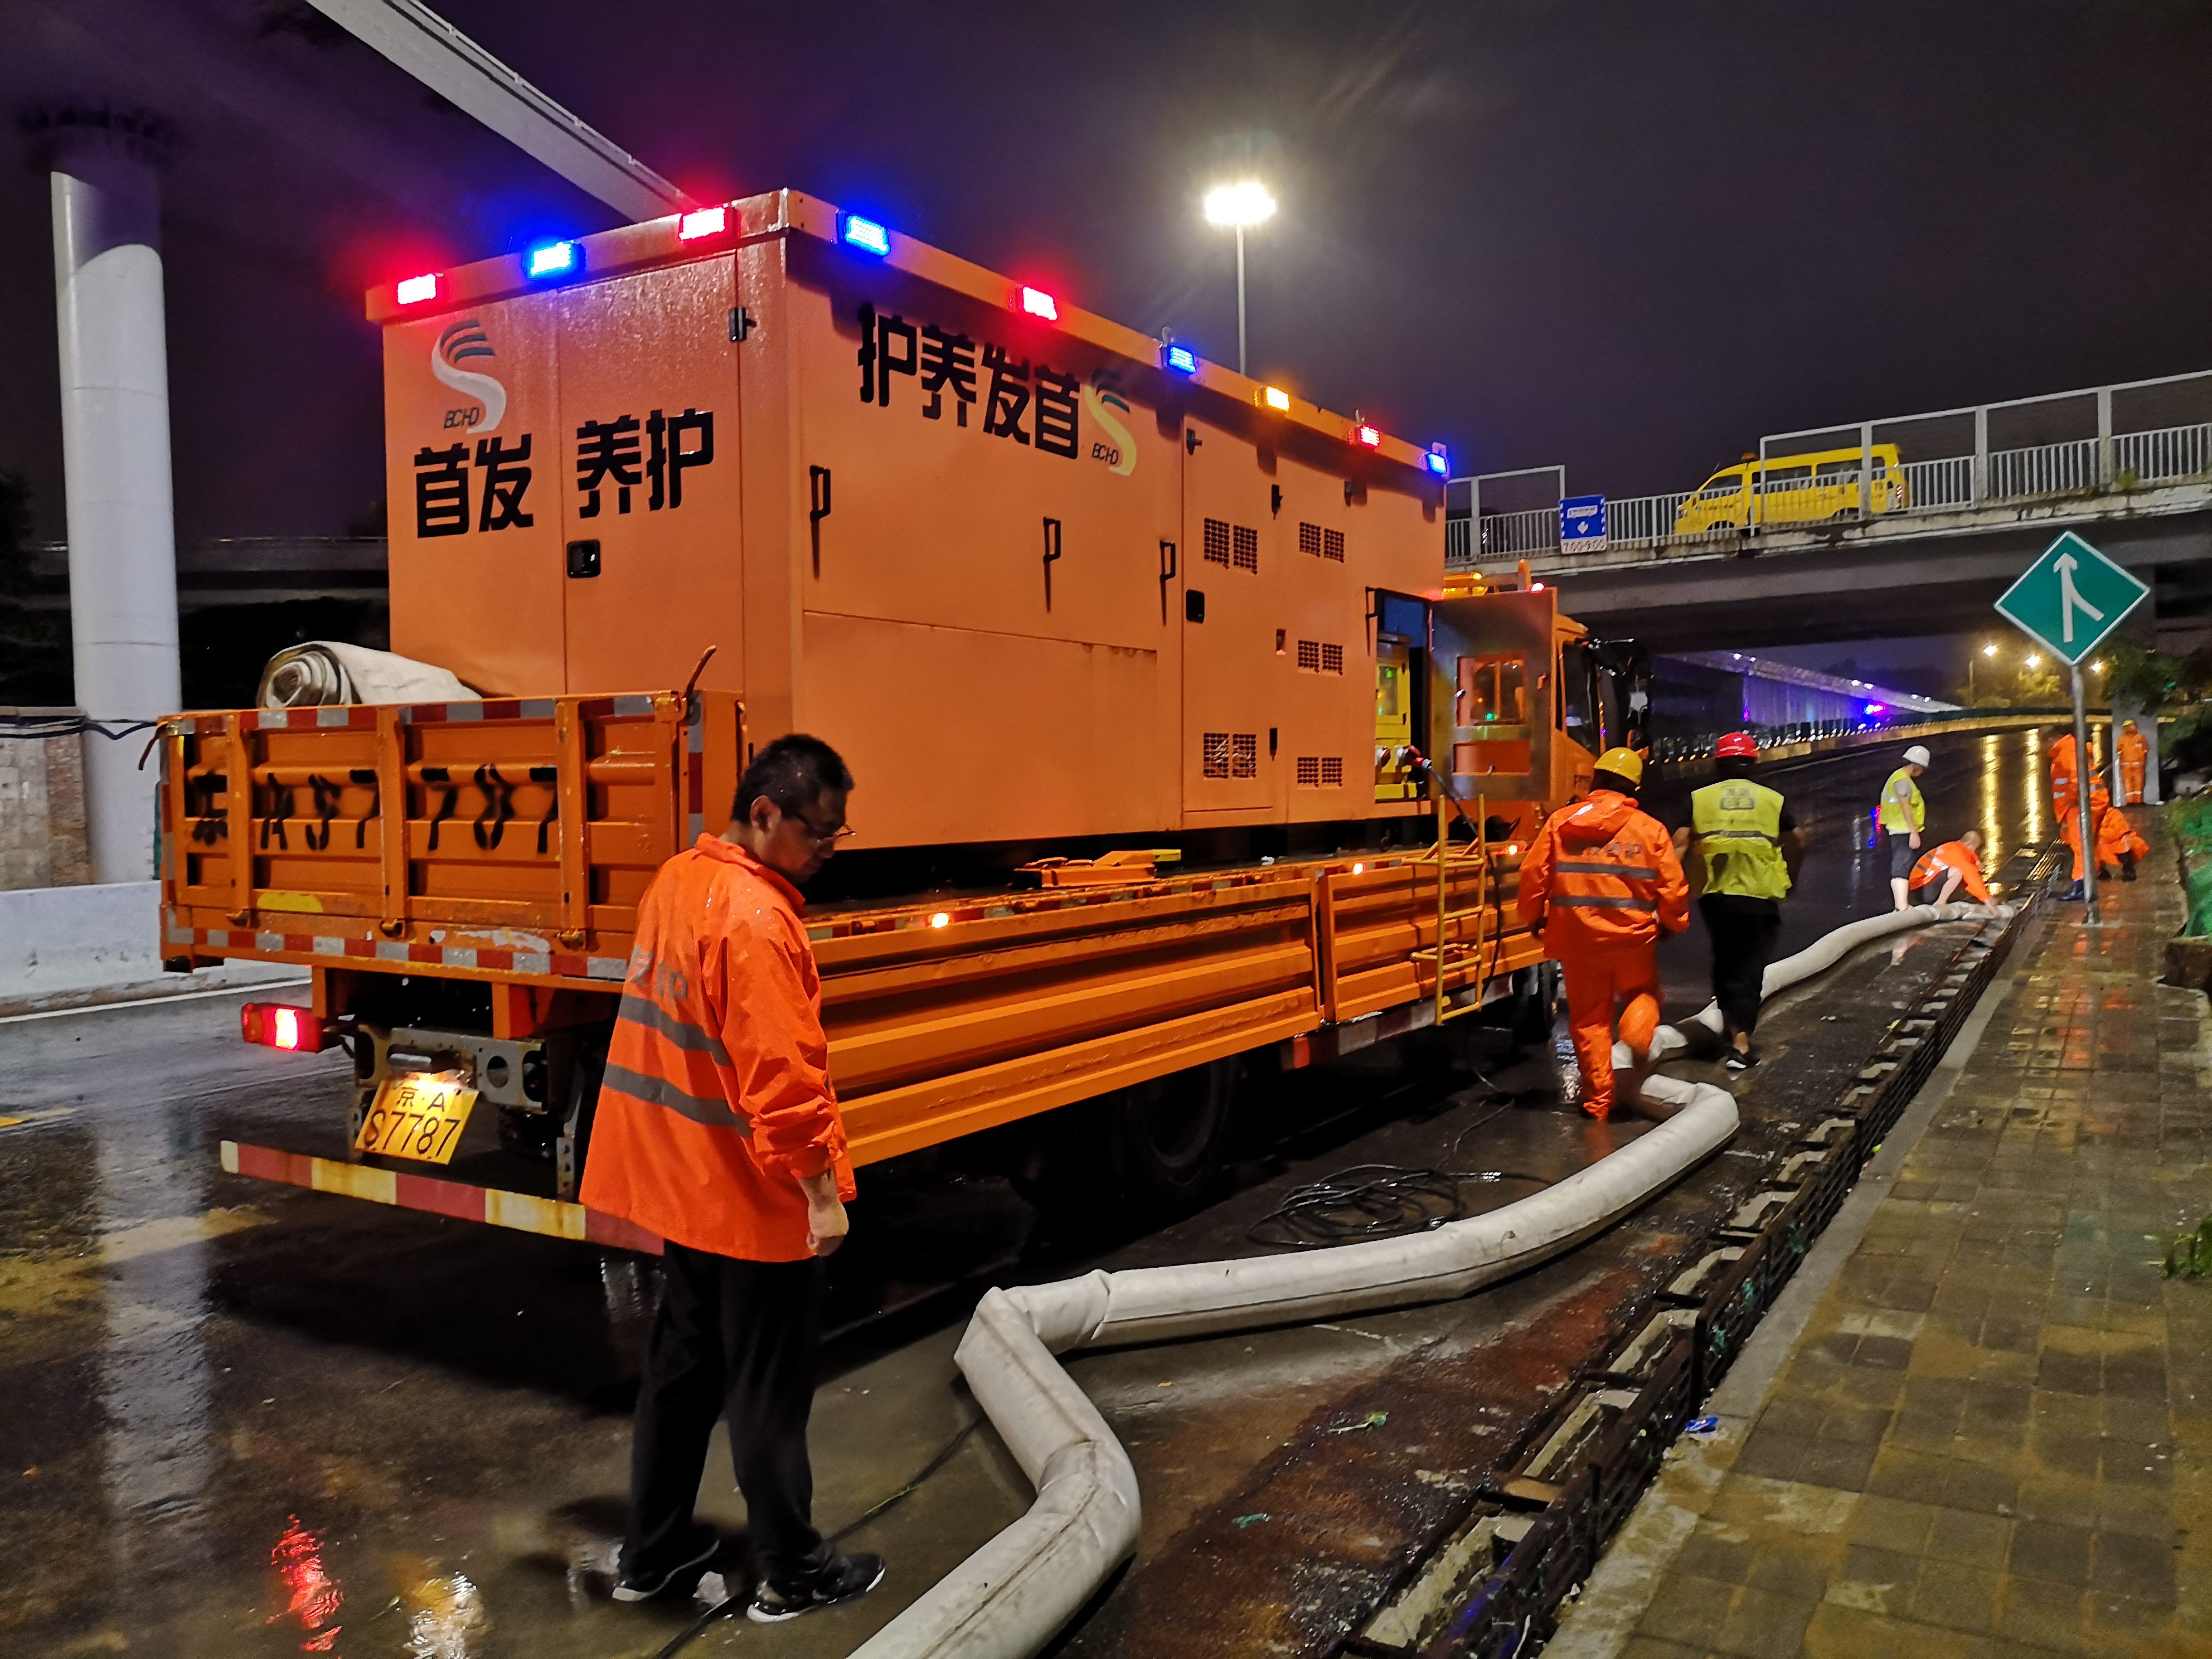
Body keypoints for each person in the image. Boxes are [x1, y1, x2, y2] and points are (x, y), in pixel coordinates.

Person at [581, 734, 886, 1622]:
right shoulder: (754, 920)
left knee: (682, 1373)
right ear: (765, 815)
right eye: (820, 831)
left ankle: (654, 1551)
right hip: (752, 1203)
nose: (830, 847)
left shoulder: (680, 880)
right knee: (767, 1391)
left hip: (687, 1189)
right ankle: (795, 1570)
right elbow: (784, 1083)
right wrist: (821, 1196)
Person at [1518, 746, 1689, 1120]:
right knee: (1641, 995)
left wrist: (1531, 916)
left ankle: (1598, 1102)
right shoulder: (1650, 829)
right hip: (1633, 940)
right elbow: (1673, 888)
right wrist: (1674, 923)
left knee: (1589, 1021)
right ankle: (1636, 1036)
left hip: (1579, 941)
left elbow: (1533, 874)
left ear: (1595, 780)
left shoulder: (1562, 822)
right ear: (1633, 788)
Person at [1676, 732, 1804, 1071]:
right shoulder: (1771, 799)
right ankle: (1740, 1042)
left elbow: (1678, 845)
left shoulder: (1700, 798)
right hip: (1759, 896)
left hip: (1715, 896)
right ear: (1753, 763)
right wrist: (1790, 877)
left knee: (1726, 958)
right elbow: (1797, 842)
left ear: (1718, 763)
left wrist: (1672, 889)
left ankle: (1730, 1026)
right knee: (1749, 967)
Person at [2060, 777, 2148, 898]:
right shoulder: (2109, 816)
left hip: (2107, 835)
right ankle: (2106, 870)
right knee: (2092, 845)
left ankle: (2112, 870)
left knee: (2090, 846)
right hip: (2103, 830)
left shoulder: (2109, 821)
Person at [1877, 745, 1930, 912]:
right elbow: (1906, 807)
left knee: (1901, 864)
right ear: (1918, 767)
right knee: (1902, 865)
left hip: (1898, 828)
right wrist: (1914, 832)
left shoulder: (1898, 777)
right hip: (1903, 829)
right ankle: (1902, 906)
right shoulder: (1903, 782)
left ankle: (1900, 905)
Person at [1908, 830, 1994, 906]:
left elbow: (1971, 864)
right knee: (1957, 872)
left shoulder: (1952, 847)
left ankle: (1942, 901)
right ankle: (1940, 903)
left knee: (1962, 876)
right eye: (1974, 849)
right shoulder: (1957, 852)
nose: (1974, 852)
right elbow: (1972, 876)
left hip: (1917, 889)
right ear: (1968, 844)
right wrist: (1988, 902)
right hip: (1922, 891)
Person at [2048, 729, 2079, 826]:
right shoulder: (2063, 751)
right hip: (2070, 809)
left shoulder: (2067, 751)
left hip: (2073, 808)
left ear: (2050, 739)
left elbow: (2075, 778)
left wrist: (2071, 803)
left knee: (2078, 839)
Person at [2118, 719, 2148, 805]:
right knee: (2137, 783)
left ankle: (2131, 801)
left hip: (2127, 765)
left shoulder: (2122, 739)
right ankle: (2137, 801)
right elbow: (2145, 750)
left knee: (2129, 784)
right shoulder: (2140, 738)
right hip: (2137, 765)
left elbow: (2119, 751)